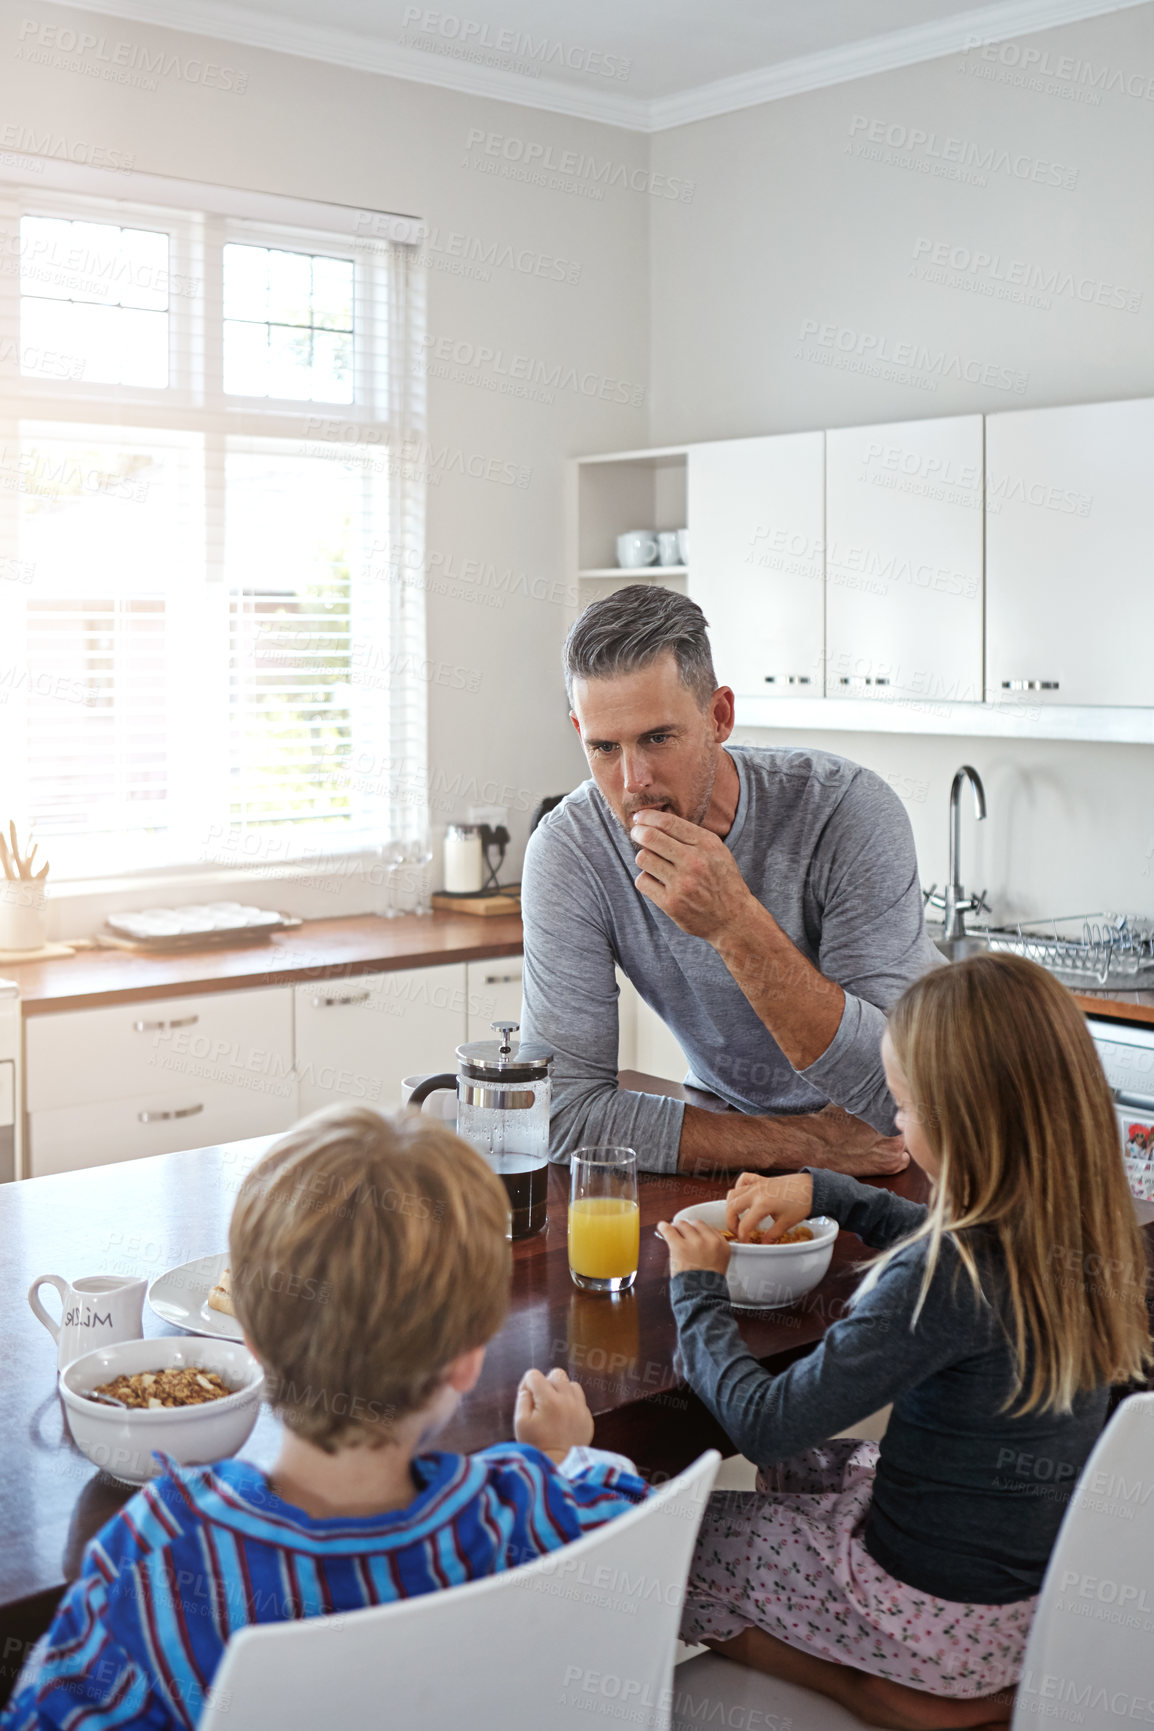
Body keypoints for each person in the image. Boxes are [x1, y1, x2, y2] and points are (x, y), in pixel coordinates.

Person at [3, 1107, 647, 1731]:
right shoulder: (521, 1507)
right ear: (467, 1361)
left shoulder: (164, 1551)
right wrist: (564, 1455)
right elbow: (628, 1517)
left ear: (249, 1340)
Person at [657, 953, 1152, 1730]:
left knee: (665, 1544)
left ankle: (878, 1693)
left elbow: (762, 1421)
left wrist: (697, 1284)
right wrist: (826, 1188)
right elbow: (940, 1237)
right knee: (814, 1466)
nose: (894, 1124)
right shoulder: (1084, 1235)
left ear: (966, 1124)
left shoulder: (939, 1276)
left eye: (906, 1109)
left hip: (931, 1621)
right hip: (1027, 1605)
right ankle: (903, 1668)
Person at [520, 583, 940, 1177]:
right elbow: (561, 1111)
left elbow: (895, 1100)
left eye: (657, 738)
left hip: (926, 1151)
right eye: (604, 747)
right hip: (747, 1145)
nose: (633, 780)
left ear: (719, 716)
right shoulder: (571, 849)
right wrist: (806, 1146)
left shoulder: (846, 811)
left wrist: (735, 923)